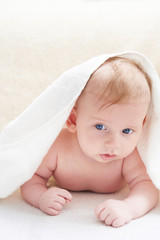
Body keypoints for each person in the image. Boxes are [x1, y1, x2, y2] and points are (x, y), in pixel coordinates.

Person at [21, 57, 159, 228]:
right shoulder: (58, 146)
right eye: (100, 127)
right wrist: (41, 196)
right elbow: (30, 178)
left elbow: (148, 188)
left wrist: (128, 208)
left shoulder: (129, 155)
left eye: (127, 131)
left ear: (142, 125)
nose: (114, 144)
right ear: (73, 119)